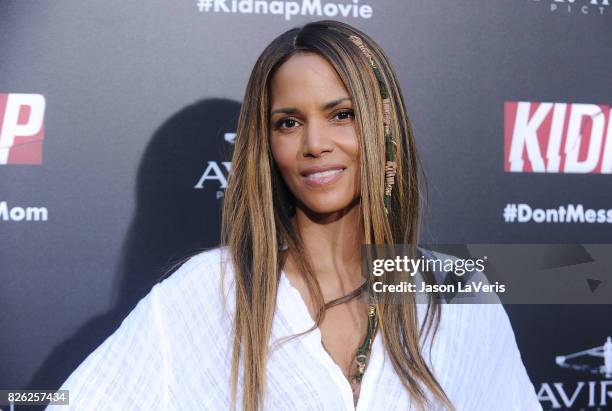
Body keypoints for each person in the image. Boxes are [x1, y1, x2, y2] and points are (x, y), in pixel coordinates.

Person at [46, 20, 542, 411]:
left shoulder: (454, 288)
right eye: (289, 122)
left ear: (383, 129)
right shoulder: (211, 291)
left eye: (342, 114)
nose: (315, 144)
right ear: (266, 144)